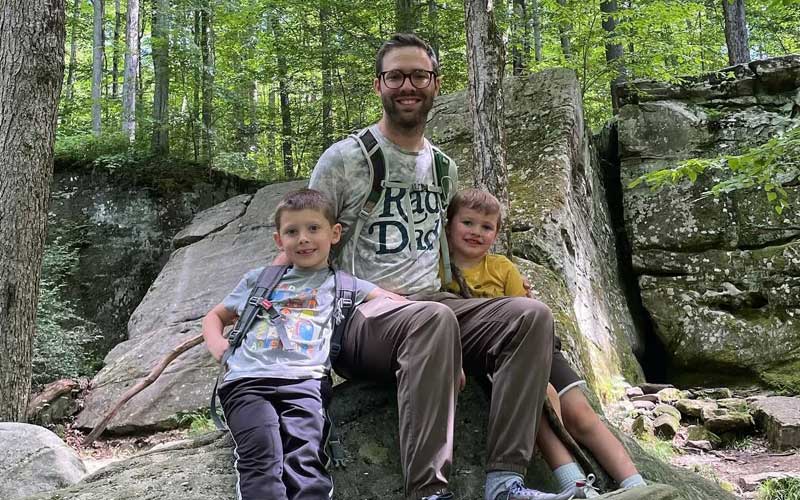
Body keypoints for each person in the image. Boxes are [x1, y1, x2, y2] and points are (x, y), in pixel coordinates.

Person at [305, 33, 569, 500]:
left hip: (435, 308)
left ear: (435, 84)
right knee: (433, 319)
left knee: (530, 317)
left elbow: (447, 253)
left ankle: (505, 481)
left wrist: (502, 287)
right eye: (396, 76)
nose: (408, 85)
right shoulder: (344, 160)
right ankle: (428, 491)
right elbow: (302, 250)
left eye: (419, 75)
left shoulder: (444, 168)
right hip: (361, 317)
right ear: (378, 85)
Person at [443, 188, 647, 499]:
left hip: (540, 346)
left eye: (487, 227)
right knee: (540, 405)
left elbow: (526, 312)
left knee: (581, 413)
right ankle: (577, 486)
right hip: (500, 356)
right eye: (467, 223)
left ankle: (636, 484)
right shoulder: (439, 271)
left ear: (496, 233)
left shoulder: (502, 268)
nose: (476, 232)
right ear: (448, 224)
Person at [202, 188, 401, 500]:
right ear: (279, 241)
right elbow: (215, 316)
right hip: (247, 381)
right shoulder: (261, 279)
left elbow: (399, 304)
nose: (303, 239)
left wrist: (444, 350)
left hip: (305, 382)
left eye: (313, 228)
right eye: (292, 232)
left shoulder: (345, 284)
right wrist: (218, 346)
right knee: (262, 454)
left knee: (305, 459)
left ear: (334, 233)